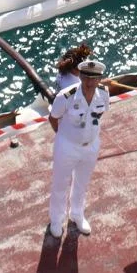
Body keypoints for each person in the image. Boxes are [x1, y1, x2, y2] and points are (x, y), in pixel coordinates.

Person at [47, 57, 110, 237]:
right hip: (67, 146)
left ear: (100, 79)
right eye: (86, 77)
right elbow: (53, 118)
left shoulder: (104, 94)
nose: (90, 82)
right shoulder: (66, 96)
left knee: (82, 182)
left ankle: (77, 214)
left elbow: (100, 115)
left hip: (91, 146)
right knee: (61, 184)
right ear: (80, 76)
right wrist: (64, 137)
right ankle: (57, 219)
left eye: (94, 78)